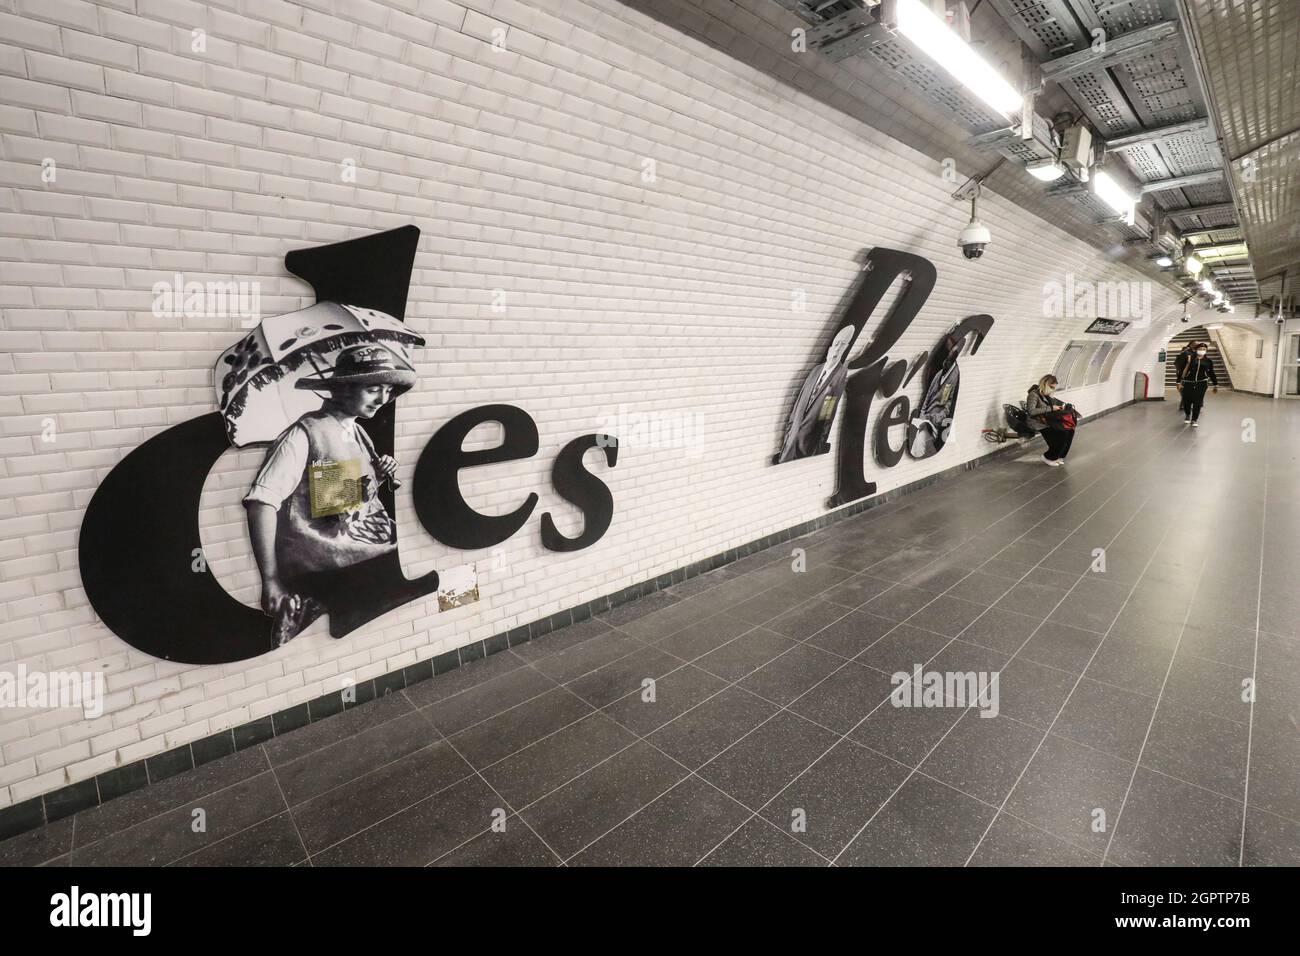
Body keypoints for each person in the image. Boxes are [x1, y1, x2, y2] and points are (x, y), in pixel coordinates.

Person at [243, 344, 412, 646]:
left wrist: (376, 474)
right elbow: (262, 503)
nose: (383, 399)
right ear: (343, 388)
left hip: (362, 553)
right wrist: (271, 580)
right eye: (373, 389)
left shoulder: (357, 432)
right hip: (325, 567)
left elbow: (338, 497)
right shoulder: (303, 435)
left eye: (387, 390)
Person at [775, 324, 854, 463]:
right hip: (789, 446)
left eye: (842, 345)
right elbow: (797, 406)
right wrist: (789, 435)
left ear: (845, 349)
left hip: (807, 449)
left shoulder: (838, 376)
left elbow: (827, 417)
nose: (837, 349)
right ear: (830, 348)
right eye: (836, 344)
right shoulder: (815, 371)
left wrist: (816, 449)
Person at [1025, 374, 1075, 466]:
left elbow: (1052, 406)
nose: (1052, 390)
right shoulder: (1033, 395)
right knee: (1062, 434)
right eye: (1051, 387)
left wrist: (1061, 407)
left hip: (1048, 420)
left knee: (1070, 431)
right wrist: (1051, 408)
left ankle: (1059, 456)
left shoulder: (1046, 395)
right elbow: (1031, 411)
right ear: (1045, 384)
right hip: (1038, 422)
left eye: (1054, 388)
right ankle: (1048, 457)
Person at [1177, 342, 1219, 426]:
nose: (1202, 351)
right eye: (1200, 349)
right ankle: (1188, 414)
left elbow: (1211, 373)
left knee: (1198, 402)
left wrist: (1215, 384)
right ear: (1196, 350)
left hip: (1201, 383)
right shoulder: (1190, 359)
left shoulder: (1208, 361)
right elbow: (1181, 370)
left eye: (1204, 349)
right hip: (1188, 383)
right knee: (1186, 401)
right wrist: (1178, 382)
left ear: (1206, 351)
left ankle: (1194, 419)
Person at [1173, 341, 1199, 417]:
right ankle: (1186, 408)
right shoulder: (1185, 354)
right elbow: (1179, 368)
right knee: (1185, 394)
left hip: (1194, 378)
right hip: (1185, 378)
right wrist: (1179, 380)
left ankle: (1187, 406)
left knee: (1189, 394)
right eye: (1195, 344)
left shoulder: (1197, 354)